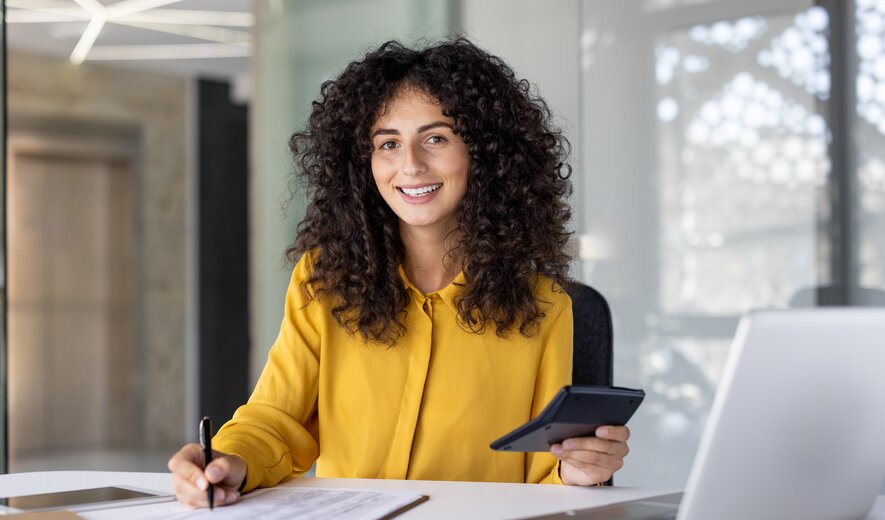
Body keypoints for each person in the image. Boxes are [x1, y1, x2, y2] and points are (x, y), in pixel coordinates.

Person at [168, 38, 631, 508]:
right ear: (363, 163)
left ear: (485, 153)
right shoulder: (324, 281)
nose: (410, 165)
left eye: (436, 138)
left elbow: (545, 480)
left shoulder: (545, 305)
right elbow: (274, 421)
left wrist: (577, 471)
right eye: (388, 143)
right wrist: (228, 462)